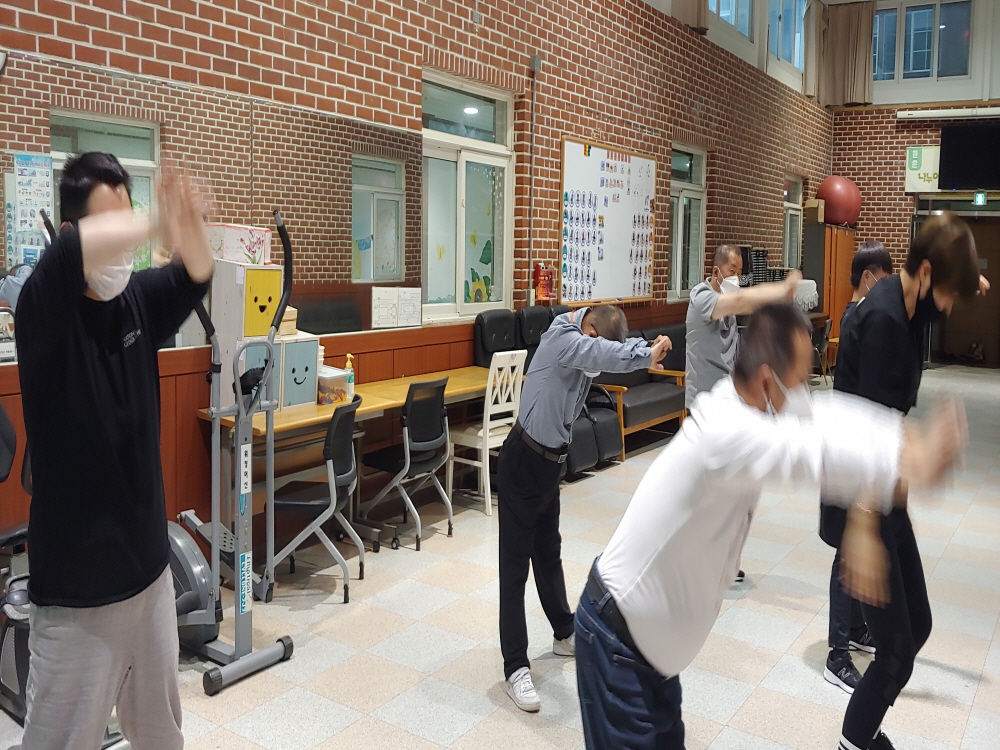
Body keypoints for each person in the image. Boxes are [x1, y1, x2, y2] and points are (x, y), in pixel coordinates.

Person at [573, 303, 968, 750]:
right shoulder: (726, 431)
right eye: (797, 382)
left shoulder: (752, 403)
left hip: (650, 657)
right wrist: (904, 453)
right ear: (766, 380)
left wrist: (895, 449)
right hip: (617, 647)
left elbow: (822, 418)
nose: (802, 395)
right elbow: (804, 448)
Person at [15, 153, 213, 750]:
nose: (126, 243)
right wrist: (155, 220)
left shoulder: (135, 301)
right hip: (76, 600)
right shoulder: (42, 309)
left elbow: (196, 272)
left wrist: (189, 223)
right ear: (71, 232)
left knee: (161, 736)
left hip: (149, 580)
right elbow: (74, 253)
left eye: (131, 219)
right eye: (113, 225)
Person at [829, 212, 983, 750]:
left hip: (887, 496)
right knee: (896, 650)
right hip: (861, 500)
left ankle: (863, 732)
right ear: (925, 272)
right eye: (948, 293)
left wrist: (968, 276)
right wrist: (863, 530)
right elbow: (867, 436)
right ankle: (856, 740)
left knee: (917, 626)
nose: (949, 308)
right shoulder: (885, 324)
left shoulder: (909, 298)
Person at [498, 305, 671, 713]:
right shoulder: (563, 336)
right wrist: (644, 354)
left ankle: (563, 632)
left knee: (549, 554)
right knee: (514, 569)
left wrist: (643, 349)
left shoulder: (586, 339)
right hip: (522, 462)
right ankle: (515, 667)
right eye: (598, 345)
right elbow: (597, 354)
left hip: (549, 465)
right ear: (591, 331)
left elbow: (600, 355)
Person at [685, 244, 801, 582]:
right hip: (704, 406)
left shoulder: (729, 305)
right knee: (709, 489)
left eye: (740, 271)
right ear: (716, 270)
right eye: (732, 271)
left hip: (730, 404)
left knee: (739, 488)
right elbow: (737, 302)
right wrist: (779, 291)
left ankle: (725, 557)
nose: (736, 277)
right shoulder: (701, 297)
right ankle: (700, 557)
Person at [821, 240, 894, 694]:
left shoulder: (859, 317)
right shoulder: (857, 321)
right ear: (868, 278)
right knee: (849, 551)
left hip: (857, 447)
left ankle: (854, 629)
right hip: (848, 451)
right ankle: (837, 654)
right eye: (884, 282)